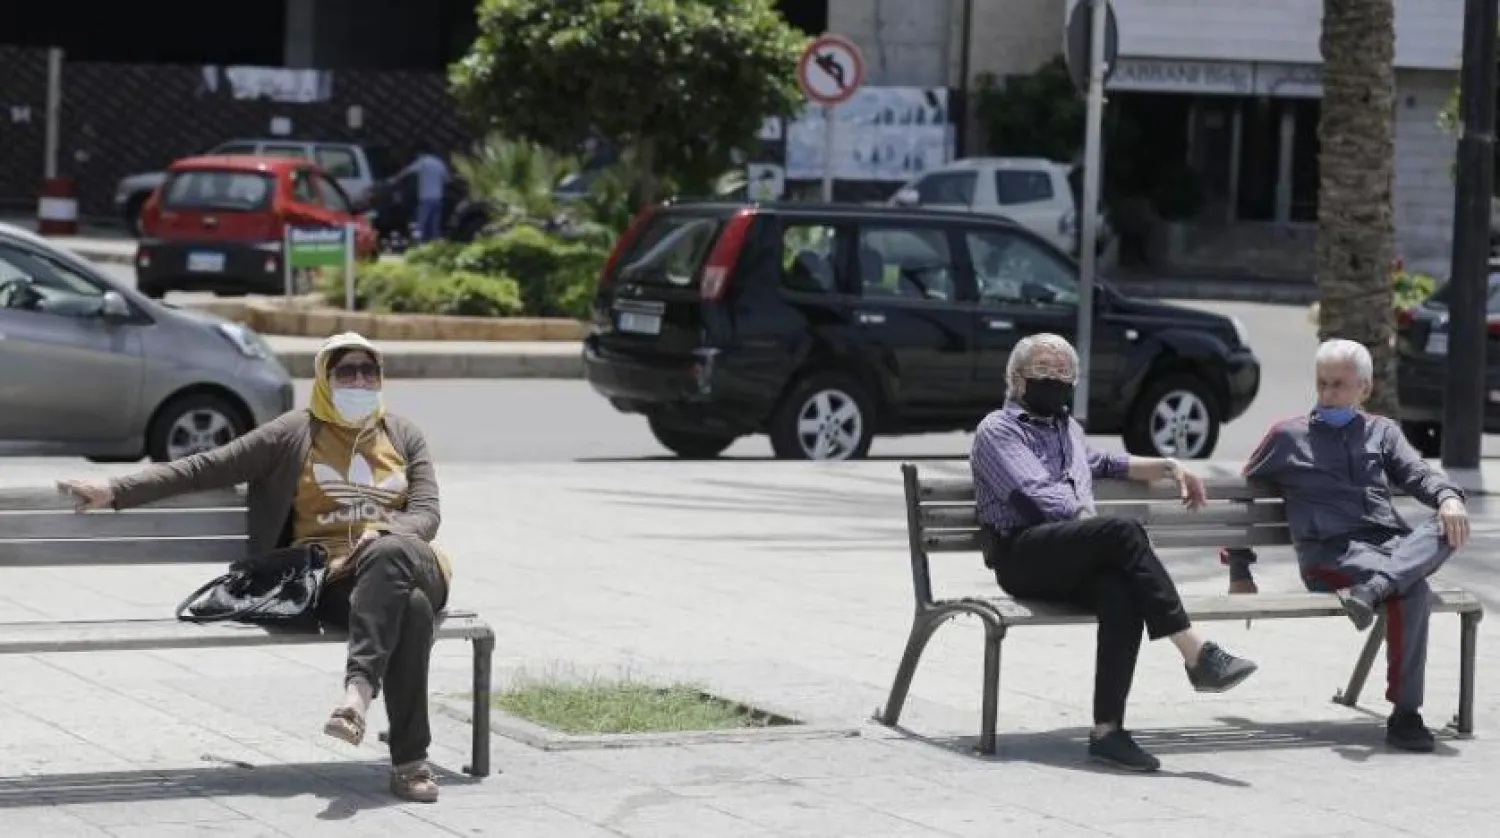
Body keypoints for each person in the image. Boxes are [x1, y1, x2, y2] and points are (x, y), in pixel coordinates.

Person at [56, 332, 453, 802]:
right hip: (334, 581)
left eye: (370, 371)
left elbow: (427, 512)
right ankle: (410, 764)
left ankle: (357, 694)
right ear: (325, 378)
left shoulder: (402, 435)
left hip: (411, 561)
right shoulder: (293, 433)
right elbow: (205, 465)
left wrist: (387, 530)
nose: (360, 380)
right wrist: (117, 489)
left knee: (392, 555)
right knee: (411, 612)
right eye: (346, 371)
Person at [972, 333, 1258, 772]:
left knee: (1122, 591)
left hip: (1072, 550)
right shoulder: (999, 429)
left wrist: (1170, 466)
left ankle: (1108, 732)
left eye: (1063, 374)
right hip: (1023, 554)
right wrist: (1098, 528)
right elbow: (1034, 499)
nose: (1054, 380)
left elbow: (1108, 464)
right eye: (1042, 373)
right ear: (1016, 380)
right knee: (1121, 533)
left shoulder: (1067, 429)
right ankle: (1197, 653)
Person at [1237, 338, 1469, 752]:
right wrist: (1240, 569)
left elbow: (1417, 474)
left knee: (1449, 521)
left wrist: (1449, 497)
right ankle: (1406, 715)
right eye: (1322, 383)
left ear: (1364, 388)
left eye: (1339, 385)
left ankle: (1376, 589)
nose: (1328, 394)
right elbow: (1242, 495)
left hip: (1387, 549)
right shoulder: (1287, 437)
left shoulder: (1382, 432)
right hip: (1332, 557)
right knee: (1414, 589)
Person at [395, 144, 451, 243]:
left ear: (421, 153)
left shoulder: (422, 161)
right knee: (434, 224)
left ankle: (419, 243)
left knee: (421, 223)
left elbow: (407, 171)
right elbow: (448, 179)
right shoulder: (439, 163)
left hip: (426, 198)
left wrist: (396, 178)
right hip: (438, 198)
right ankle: (433, 244)